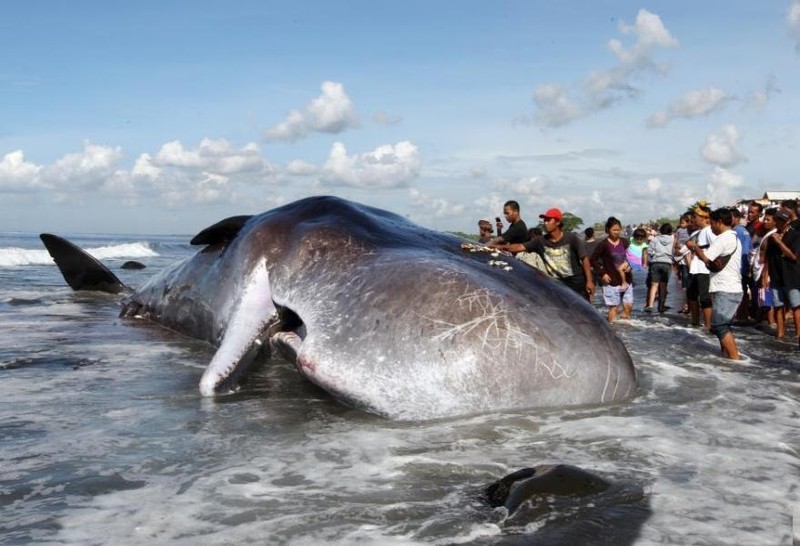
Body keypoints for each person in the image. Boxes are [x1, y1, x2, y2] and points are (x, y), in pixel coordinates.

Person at [499, 207, 594, 300]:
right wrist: (499, 247)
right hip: (558, 286)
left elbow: (584, 259)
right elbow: (520, 247)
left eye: (549, 220)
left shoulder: (571, 238)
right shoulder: (540, 241)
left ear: (557, 222)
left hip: (577, 284)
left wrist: (589, 281)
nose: (545, 223)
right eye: (544, 220)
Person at [686, 207, 742, 360]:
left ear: (719, 222)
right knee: (723, 325)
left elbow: (707, 259)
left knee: (718, 326)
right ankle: (728, 357)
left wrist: (695, 248)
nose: (711, 227)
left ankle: (735, 360)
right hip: (730, 288)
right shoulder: (733, 237)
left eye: (712, 224)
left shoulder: (724, 238)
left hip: (727, 288)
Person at [762, 208, 800, 346]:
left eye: (781, 220)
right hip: (776, 275)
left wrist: (780, 243)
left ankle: (798, 335)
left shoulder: (795, 235)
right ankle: (780, 333)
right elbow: (768, 258)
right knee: (778, 305)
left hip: (791, 276)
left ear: (788, 221)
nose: (778, 222)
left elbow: (793, 256)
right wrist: (765, 275)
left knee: (796, 305)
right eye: (777, 219)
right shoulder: (772, 237)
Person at [591, 216, 633, 322]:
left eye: (618, 229)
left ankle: (625, 332)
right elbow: (593, 259)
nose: (616, 232)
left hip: (626, 279)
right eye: (614, 230)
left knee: (628, 307)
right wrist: (602, 273)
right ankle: (611, 330)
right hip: (611, 281)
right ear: (607, 230)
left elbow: (632, 256)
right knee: (614, 307)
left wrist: (629, 265)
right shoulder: (603, 244)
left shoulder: (624, 242)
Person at [682, 203, 716, 329]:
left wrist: (695, 247)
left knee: (704, 297)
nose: (693, 220)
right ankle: (695, 322)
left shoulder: (709, 231)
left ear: (703, 218)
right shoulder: (698, 232)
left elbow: (715, 247)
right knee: (691, 294)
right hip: (696, 268)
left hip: (704, 269)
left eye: (695, 217)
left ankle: (708, 325)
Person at [645, 223, 674, 313]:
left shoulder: (655, 239)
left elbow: (649, 250)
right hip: (667, 263)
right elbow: (675, 251)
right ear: (670, 231)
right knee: (663, 285)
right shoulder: (673, 239)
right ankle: (661, 306)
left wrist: (654, 255)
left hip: (656, 262)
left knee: (654, 285)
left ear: (660, 231)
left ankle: (650, 306)